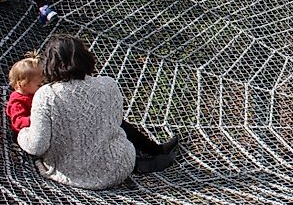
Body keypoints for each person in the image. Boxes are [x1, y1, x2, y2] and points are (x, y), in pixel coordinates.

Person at [17, 34, 179, 190]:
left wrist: (22, 134)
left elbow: (37, 146)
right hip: (117, 168)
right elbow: (116, 125)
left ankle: (148, 155)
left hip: (69, 174)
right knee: (112, 130)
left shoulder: (46, 95)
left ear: (50, 64)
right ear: (85, 57)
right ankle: (144, 157)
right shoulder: (108, 85)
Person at [6, 52, 44, 133]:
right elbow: (18, 123)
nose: (42, 87)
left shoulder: (32, 93)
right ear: (23, 84)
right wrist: (36, 119)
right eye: (39, 85)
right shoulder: (18, 101)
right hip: (28, 134)